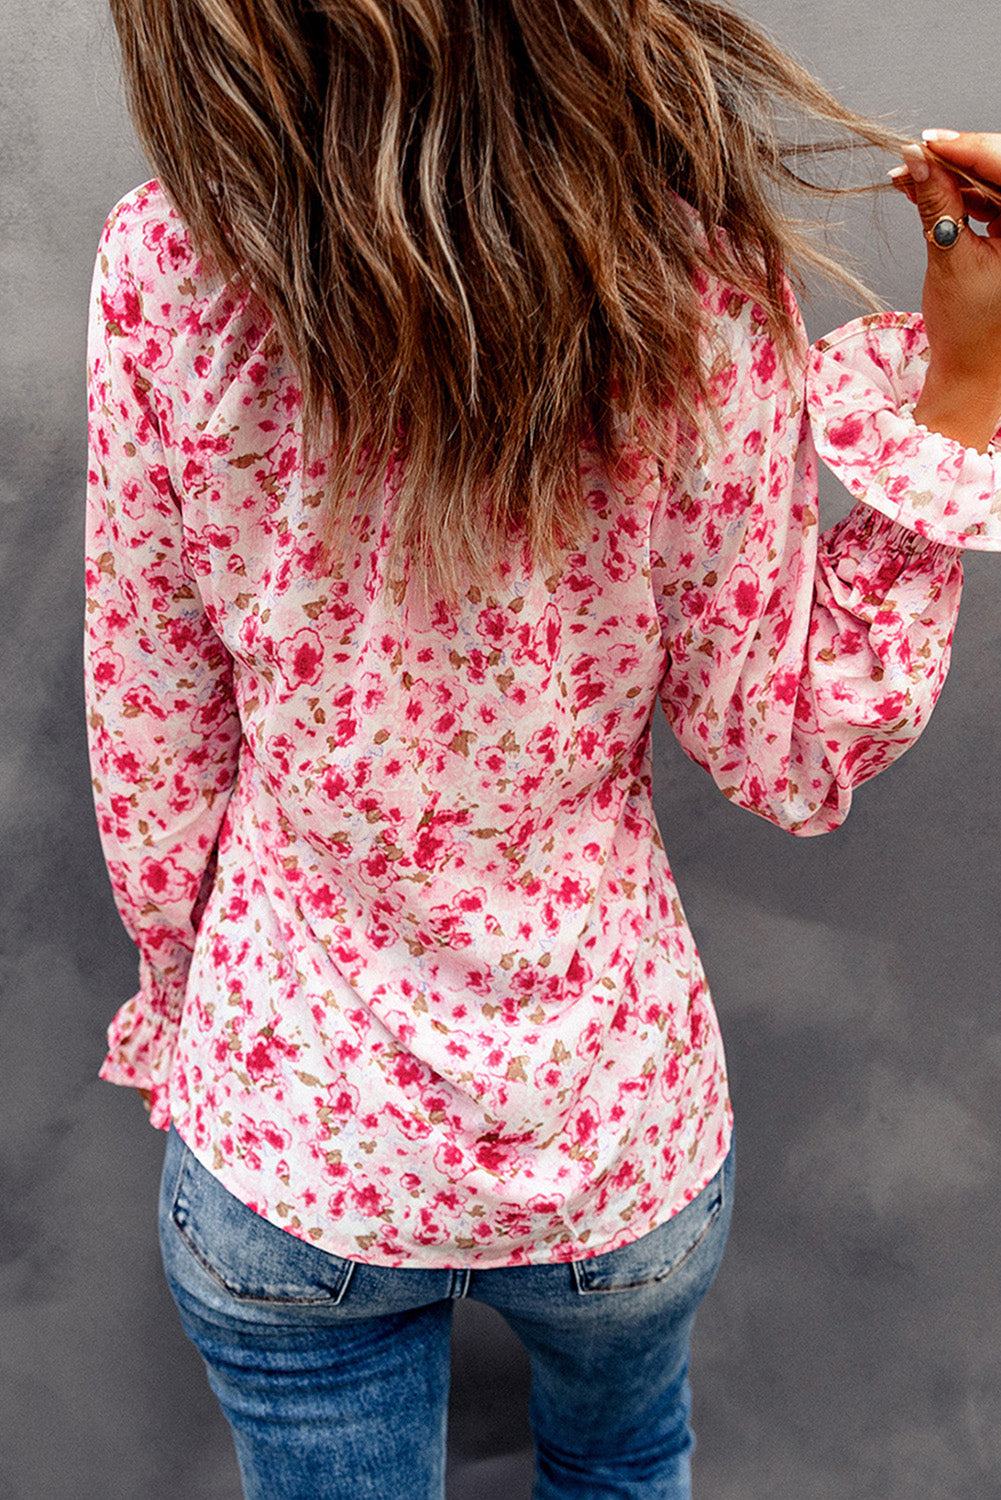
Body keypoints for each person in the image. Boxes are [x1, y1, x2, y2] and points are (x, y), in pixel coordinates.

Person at [83, 1, 1001, 1495]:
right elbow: (786, 747)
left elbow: (154, 731)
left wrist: (187, 1015)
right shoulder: (699, 281)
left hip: (289, 1125)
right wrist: (964, 394)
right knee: (624, 1459)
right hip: (608, 1123)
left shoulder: (167, 263)